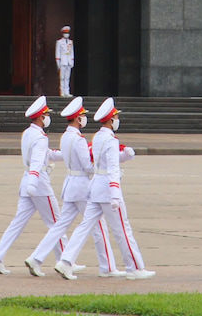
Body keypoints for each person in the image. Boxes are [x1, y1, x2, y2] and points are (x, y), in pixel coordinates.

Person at [54, 98, 154, 280]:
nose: (117, 120)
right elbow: (113, 169)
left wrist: (124, 155)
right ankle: (135, 268)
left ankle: (65, 260)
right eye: (115, 117)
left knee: (85, 226)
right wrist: (115, 193)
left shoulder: (98, 137)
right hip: (108, 189)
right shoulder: (110, 140)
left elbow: (105, 161)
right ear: (110, 120)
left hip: (95, 188)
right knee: (122, 230)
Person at [24, 97, 121, 278]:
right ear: (78, 119)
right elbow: (87, 166)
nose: (84, 119)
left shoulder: (66, 136)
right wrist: (102, 168)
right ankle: (107, 266)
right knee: (98, 227)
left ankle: (37, 257)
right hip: (82, 186)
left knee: (59, 226)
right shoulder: (78, 139)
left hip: (70, 185)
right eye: (83, 116)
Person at [0, 96, 65, 274]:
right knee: (57, 223)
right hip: (38, 183)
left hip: (27, 180)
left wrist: (67, 155)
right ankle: (64, 259)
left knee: (17, 223)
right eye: (46, 114)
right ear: (40, 117)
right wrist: (34, 181)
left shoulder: (29, 133)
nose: (47, 117)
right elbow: (38, 161)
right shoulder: (41, 137)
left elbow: (47, 154)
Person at [55, 27, 74, 96]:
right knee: (62, 77)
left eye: (67, 33)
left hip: (68, 61)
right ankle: (62, 91)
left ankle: (67, 92)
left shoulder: (70, 42)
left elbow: (72, 52)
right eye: (65, 33)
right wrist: (58, 62)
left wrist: (72, 61)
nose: (66, 34)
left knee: (67, 77)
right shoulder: (59, 42)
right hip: (62, 61)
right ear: (63, 33)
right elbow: (57, 52)